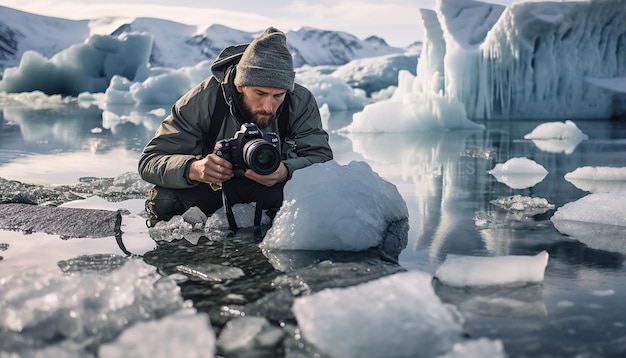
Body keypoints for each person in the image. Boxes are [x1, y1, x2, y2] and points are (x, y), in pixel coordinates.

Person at [138, 27, 333, 230]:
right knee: (165, 200)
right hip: (214, 188)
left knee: (326, 197)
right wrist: (193, 168)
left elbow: (322, 159)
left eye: (278, 96)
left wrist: (285, 171)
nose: (268, 107)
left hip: (272, 187)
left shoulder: (299, 101)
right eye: (260, 93)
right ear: (240, 85)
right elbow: (149, 161)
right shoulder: (203, 100)